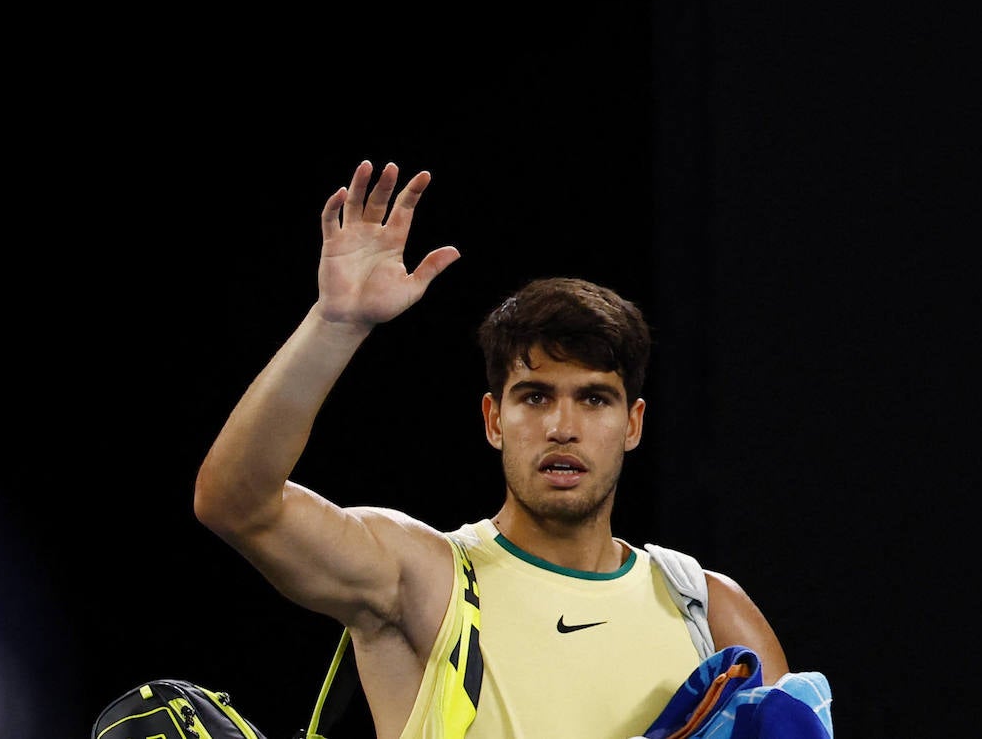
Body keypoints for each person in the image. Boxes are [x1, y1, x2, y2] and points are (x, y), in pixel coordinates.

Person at [194, 159, 791, 739]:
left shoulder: (711, 610)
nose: (562, 426)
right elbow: (237, 504)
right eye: (534, 397)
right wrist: (336, 325)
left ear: (633, 424)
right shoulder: (421, 580)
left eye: (594, 400)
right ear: (493, 419)